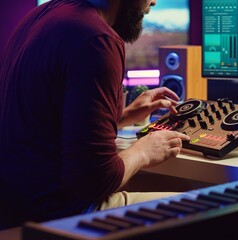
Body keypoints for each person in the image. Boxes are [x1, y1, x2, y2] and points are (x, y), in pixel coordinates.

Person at [0, 0, 190, 229]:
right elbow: (94, 181)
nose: (153, 1)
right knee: (209, 209)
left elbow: (46, 127)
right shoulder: (97, 38)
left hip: (15, 211)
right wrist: (144, 151)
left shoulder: (43, 14)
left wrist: (122, 117)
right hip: (57, 216)